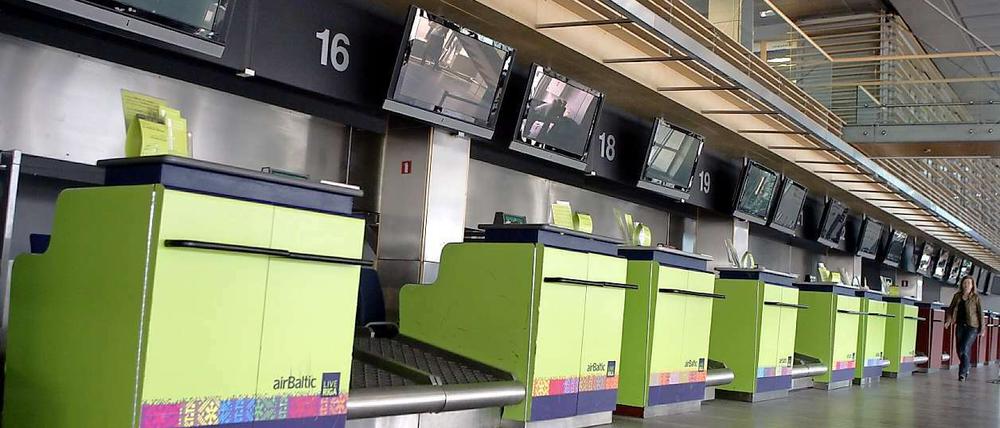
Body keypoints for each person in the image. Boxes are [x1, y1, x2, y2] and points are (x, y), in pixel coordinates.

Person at [944, 275, 985, 381]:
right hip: (960, 325)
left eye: (969, 283)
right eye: (965, 283)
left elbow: (980, 313)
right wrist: (948, 320)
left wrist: (982, 329)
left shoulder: (976, 298)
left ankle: (962, 373)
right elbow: (950, 309)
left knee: (964, 347)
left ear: (972, 286)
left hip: (972, 327)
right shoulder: (957, 296)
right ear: (962, 284)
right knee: (960, 350)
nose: (966, 285)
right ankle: (967, 367)